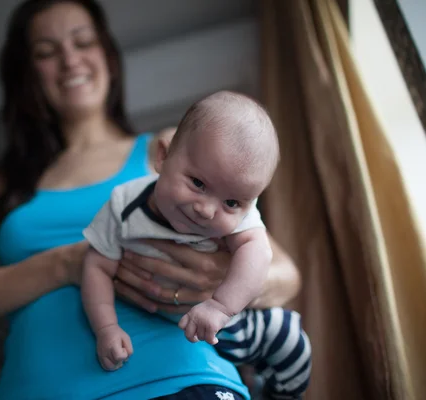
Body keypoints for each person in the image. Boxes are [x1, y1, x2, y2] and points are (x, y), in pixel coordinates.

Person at [0, 0, 303, 399]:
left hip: (181, 379)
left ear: (107, 54)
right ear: (28, 73)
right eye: (46, 52)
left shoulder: (173, 147)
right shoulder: (8, 183)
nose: (70, 60)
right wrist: (64, 264)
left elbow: (285, 274)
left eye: (83, 42)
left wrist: (219, 284)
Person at [81, 91, 311, 399]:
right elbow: (96, 266)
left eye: (231, 202)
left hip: (231, 325)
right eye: (198, 184)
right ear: (163, 157)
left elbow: (259, 253)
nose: (207, 210)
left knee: (291, 340)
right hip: (168, 332)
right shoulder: (124, 207)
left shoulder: (242, 217)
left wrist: (220, 307)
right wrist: (106, 328)